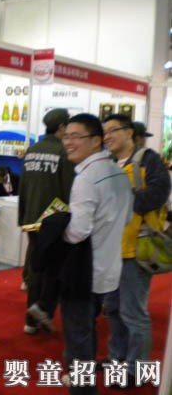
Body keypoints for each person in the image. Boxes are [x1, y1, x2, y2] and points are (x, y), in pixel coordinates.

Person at [61, 113, 133, 394]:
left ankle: (83, 388)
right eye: (66, 136)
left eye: (76, 137)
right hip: (109, 269)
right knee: (86, 328)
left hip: (84, 271)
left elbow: (77, 232)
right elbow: (127, 218)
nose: (69, 142)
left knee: (78, 337)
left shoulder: (86, 178)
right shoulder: (118, 172)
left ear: (95, 141)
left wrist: (54, 231)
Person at [102, 114, 170, 383]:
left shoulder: (148, 160)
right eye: (104, 132)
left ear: (129, 132)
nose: (107, 136)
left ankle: (137, 370)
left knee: (133, 313)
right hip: (110, 250)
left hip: (137, 249)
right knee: (112, 309)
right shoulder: (106, 163)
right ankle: (116, 358)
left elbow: (158, 194)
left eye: (113, 130)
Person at [18, 108, 75, 334]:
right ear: (61, 127)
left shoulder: (32, 150)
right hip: (53, 221)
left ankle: (30, 320)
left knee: (36, 266)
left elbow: (23, 186)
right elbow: (69, 189)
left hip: (31, 217)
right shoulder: (62, 152)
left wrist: (23, 217)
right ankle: (42, 313)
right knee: (53, 269)